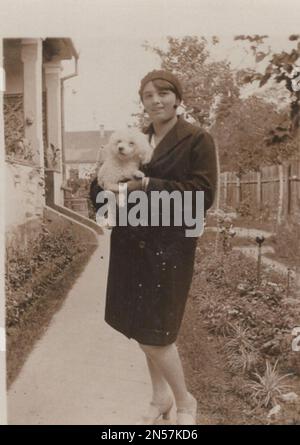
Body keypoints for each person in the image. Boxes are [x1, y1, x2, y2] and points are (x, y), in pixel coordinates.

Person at [90, 70, 218, 425]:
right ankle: (160, 398)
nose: (156, 100)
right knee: (139, 327)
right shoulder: (135, 139)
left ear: (177, 98)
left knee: (156, 332)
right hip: (131, 245)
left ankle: (185, 402)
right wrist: (104, 193)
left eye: (163, 93)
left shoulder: (197, 139)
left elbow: (202, 195)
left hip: (170, 247)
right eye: (148, 95)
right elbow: (103, 185)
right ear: (143, 103)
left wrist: (146, 184)